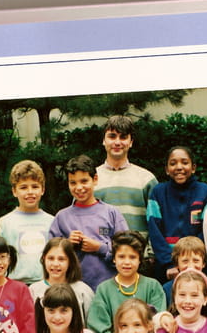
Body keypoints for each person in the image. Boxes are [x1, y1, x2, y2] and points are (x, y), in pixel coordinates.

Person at [49, 154, 128, 292]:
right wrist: (67, 245)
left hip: (109, 288)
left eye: (84, 181)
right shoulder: (62, 217)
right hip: (71, 290)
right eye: (73, 183)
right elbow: (50, 254)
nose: (79, 187)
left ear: (95, 179)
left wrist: (100, 248)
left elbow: (126, 249)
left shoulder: (111, 213)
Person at [146, 146, 207, 283]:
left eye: (184, 162)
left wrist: (194, 259)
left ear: (193, 168)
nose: (179, 167)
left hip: (196, 264)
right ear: (167, 169)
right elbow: (154, 230)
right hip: (166, 267)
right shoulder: (158, 192)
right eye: (173, 163)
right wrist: (169, 263)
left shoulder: (204, 191)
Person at [87, 230, 167, 333]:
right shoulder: (104, 289)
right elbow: (98, 327)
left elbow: (157, 321)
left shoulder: (152, 286)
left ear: (140, 259)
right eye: (121, 257)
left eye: (132, 257)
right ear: (114, 258)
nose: (127, 262)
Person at [94, 115, 158, 249]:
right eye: (112, 136)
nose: (117, 142)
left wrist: (149, 254)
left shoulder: (146, 179)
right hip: (99, 256)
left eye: (123, 137)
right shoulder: (90, 179)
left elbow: (158, 221)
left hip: (139, 256)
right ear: (104, 140)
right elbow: (80, 219)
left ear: (131, 142)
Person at [0, 160, 54, 285]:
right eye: (23, 187)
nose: (30, 192)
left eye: (35, 187)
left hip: (46, 285)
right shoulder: (4, 223)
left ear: (43, 189)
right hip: (13, 285)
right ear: (14, 191)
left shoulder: (53, 221)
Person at [28, 237, 95, 321]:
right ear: (44, 259)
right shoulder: (33, 290)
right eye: (51, 258)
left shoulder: (83, 291)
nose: (55, 264)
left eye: (61, 259)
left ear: (70, 262)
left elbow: (92, 323)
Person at [161, 236, 207, 306]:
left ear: (203, 263)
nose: (191, 266)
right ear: (177, 264)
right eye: (185, 261)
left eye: (196, 261)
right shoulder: (167, 288)